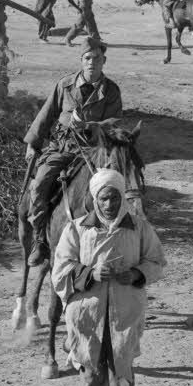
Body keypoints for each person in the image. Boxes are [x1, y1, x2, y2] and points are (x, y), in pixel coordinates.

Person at [51, 166, 166, 386]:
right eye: (103, 198)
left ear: (122, 198)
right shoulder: (76, 228)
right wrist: (90, 272)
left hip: (124, 316)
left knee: (122, 376)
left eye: (114, 197)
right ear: (94, 199)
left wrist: (136, 273)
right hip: (87, 319)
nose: (109, 204)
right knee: (93, 378)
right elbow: (60, 272)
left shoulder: (139, 228)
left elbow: (156, 261)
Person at [22, 37, 123, 263]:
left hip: (94, 150)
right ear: (81, 60)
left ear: (103, 61)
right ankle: (39, 238)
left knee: (113, 188)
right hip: (63, 147)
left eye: (96, 58)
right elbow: (46, 115)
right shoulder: (65, 85)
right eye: (87, 58)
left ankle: (114, 235)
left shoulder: (111, 91)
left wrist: (87, 126)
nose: (91, 63)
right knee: (39, 184)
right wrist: (33, 143)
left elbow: (114, 124)